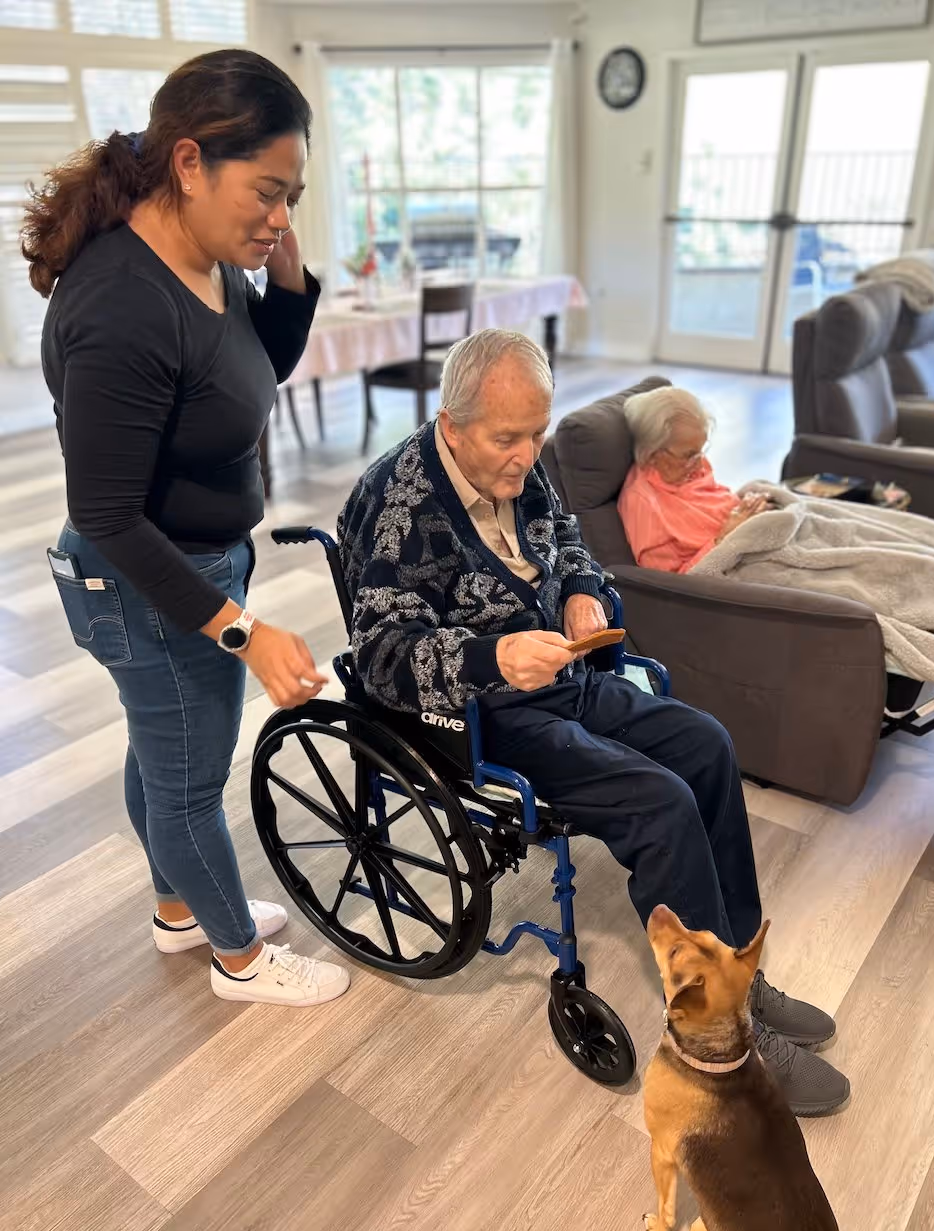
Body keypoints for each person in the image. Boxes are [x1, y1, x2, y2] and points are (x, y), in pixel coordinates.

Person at [338, 328, 850, 1117]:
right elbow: (379, 657)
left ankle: (732, 972)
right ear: (451, 423)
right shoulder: (400, 508)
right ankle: (717, 1035)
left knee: (707, 745)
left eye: (537, 433)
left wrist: (585, 592)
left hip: (564, 673)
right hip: (484, 713)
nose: (526, 455)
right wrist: (492, 659)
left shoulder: (520, 464)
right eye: (507, 438)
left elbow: (568, 542)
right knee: (658, 802)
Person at [25, 49, 349, 1009]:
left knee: (162, 754)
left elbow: (255, 372)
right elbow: (107, 515)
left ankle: (179, 912)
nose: (280, 215)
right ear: (188, 163)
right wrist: (244, 633)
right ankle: (237, 959)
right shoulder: (122, 306)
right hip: (146, 579)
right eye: (265, 191)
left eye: (294, 195)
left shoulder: (202, 258)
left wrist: (280, 255)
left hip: (195, 561)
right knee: (188, 781)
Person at [617, 385, 773, 573]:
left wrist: (749, 508)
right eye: (689, 455)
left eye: (701, 451)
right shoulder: (644, 507)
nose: (700, 465)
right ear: (651, 453)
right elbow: (672, 585)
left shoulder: (686, 467)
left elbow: (719, 500)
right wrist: (726, 537)